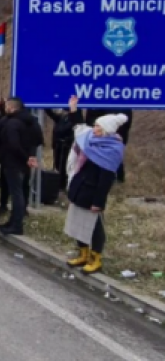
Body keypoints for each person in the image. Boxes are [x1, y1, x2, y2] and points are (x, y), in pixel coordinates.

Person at [64, 97, 126, 275]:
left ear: (107, 130)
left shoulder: (112, 150)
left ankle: (96, 258)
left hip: (92, 193)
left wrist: (98, 203)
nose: (95, 129)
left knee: (94, 228)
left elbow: (105, 181)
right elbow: (79, 127)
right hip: (79, 188)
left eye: (99, 127)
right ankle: (83, 254)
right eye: (96, 125)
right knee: (77, 224)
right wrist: (73, 108)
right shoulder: (90, 138)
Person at [0, 98, 42, 236]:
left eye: (6, 106)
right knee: (20, 192)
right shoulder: (32, 121)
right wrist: (31, 156)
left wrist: (26, 157)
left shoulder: (12, 123)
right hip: (24, 163)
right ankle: (13, 221)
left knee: (16, 194)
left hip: (13, 162)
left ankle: (17, 225)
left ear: (11, 107)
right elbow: (39, 139)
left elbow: (13, 144)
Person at [84, 108, 132, 183]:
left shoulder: (123, 105)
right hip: (102, 138)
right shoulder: (96, 103)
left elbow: (126, 123)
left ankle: (116, 179)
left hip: (111, 139)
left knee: (111, 160)